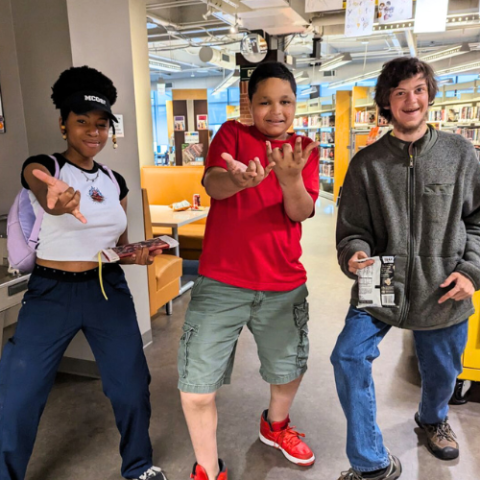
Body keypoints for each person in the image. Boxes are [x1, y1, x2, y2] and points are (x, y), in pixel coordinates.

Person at [0, 66, 167, 480]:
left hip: (104, 290)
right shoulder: (46, 167)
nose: (94, 132)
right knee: (19, 393)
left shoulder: (114, 180)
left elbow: (116, 246)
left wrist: (136, 254)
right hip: (51, 293)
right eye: (82, 122)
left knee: (130, 385)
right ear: (63, 124)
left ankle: (139, 466)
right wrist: (51, 199)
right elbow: (35, 180)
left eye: (101, 124)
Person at [332, 56, 480, 480]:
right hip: (380, 279)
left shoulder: (460, 154)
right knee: (347, 355)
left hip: (443, 283)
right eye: (399, 93)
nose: (410, 100)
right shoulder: (366, 164)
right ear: (387, 103)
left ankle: (432, 419)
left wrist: (471, 270)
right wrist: (354, 254)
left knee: (441, 372)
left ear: (429, 95)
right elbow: (351, 231)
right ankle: (371, 461)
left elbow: (478, 220)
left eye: (418, 89)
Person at [178, 62, 320, 480]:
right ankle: (207, 467)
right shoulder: (232, 135)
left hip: (283, 284)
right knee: (196, 386)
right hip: (221, 282)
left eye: (285, 101)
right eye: (265, 102)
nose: (276, 110)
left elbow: (301, 211)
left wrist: (291, 178)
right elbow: (214, 183)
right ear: (250, 104)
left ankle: (275, 427)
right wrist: (239, 182)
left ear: (296, 104)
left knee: (288, 367)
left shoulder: (304, 148)